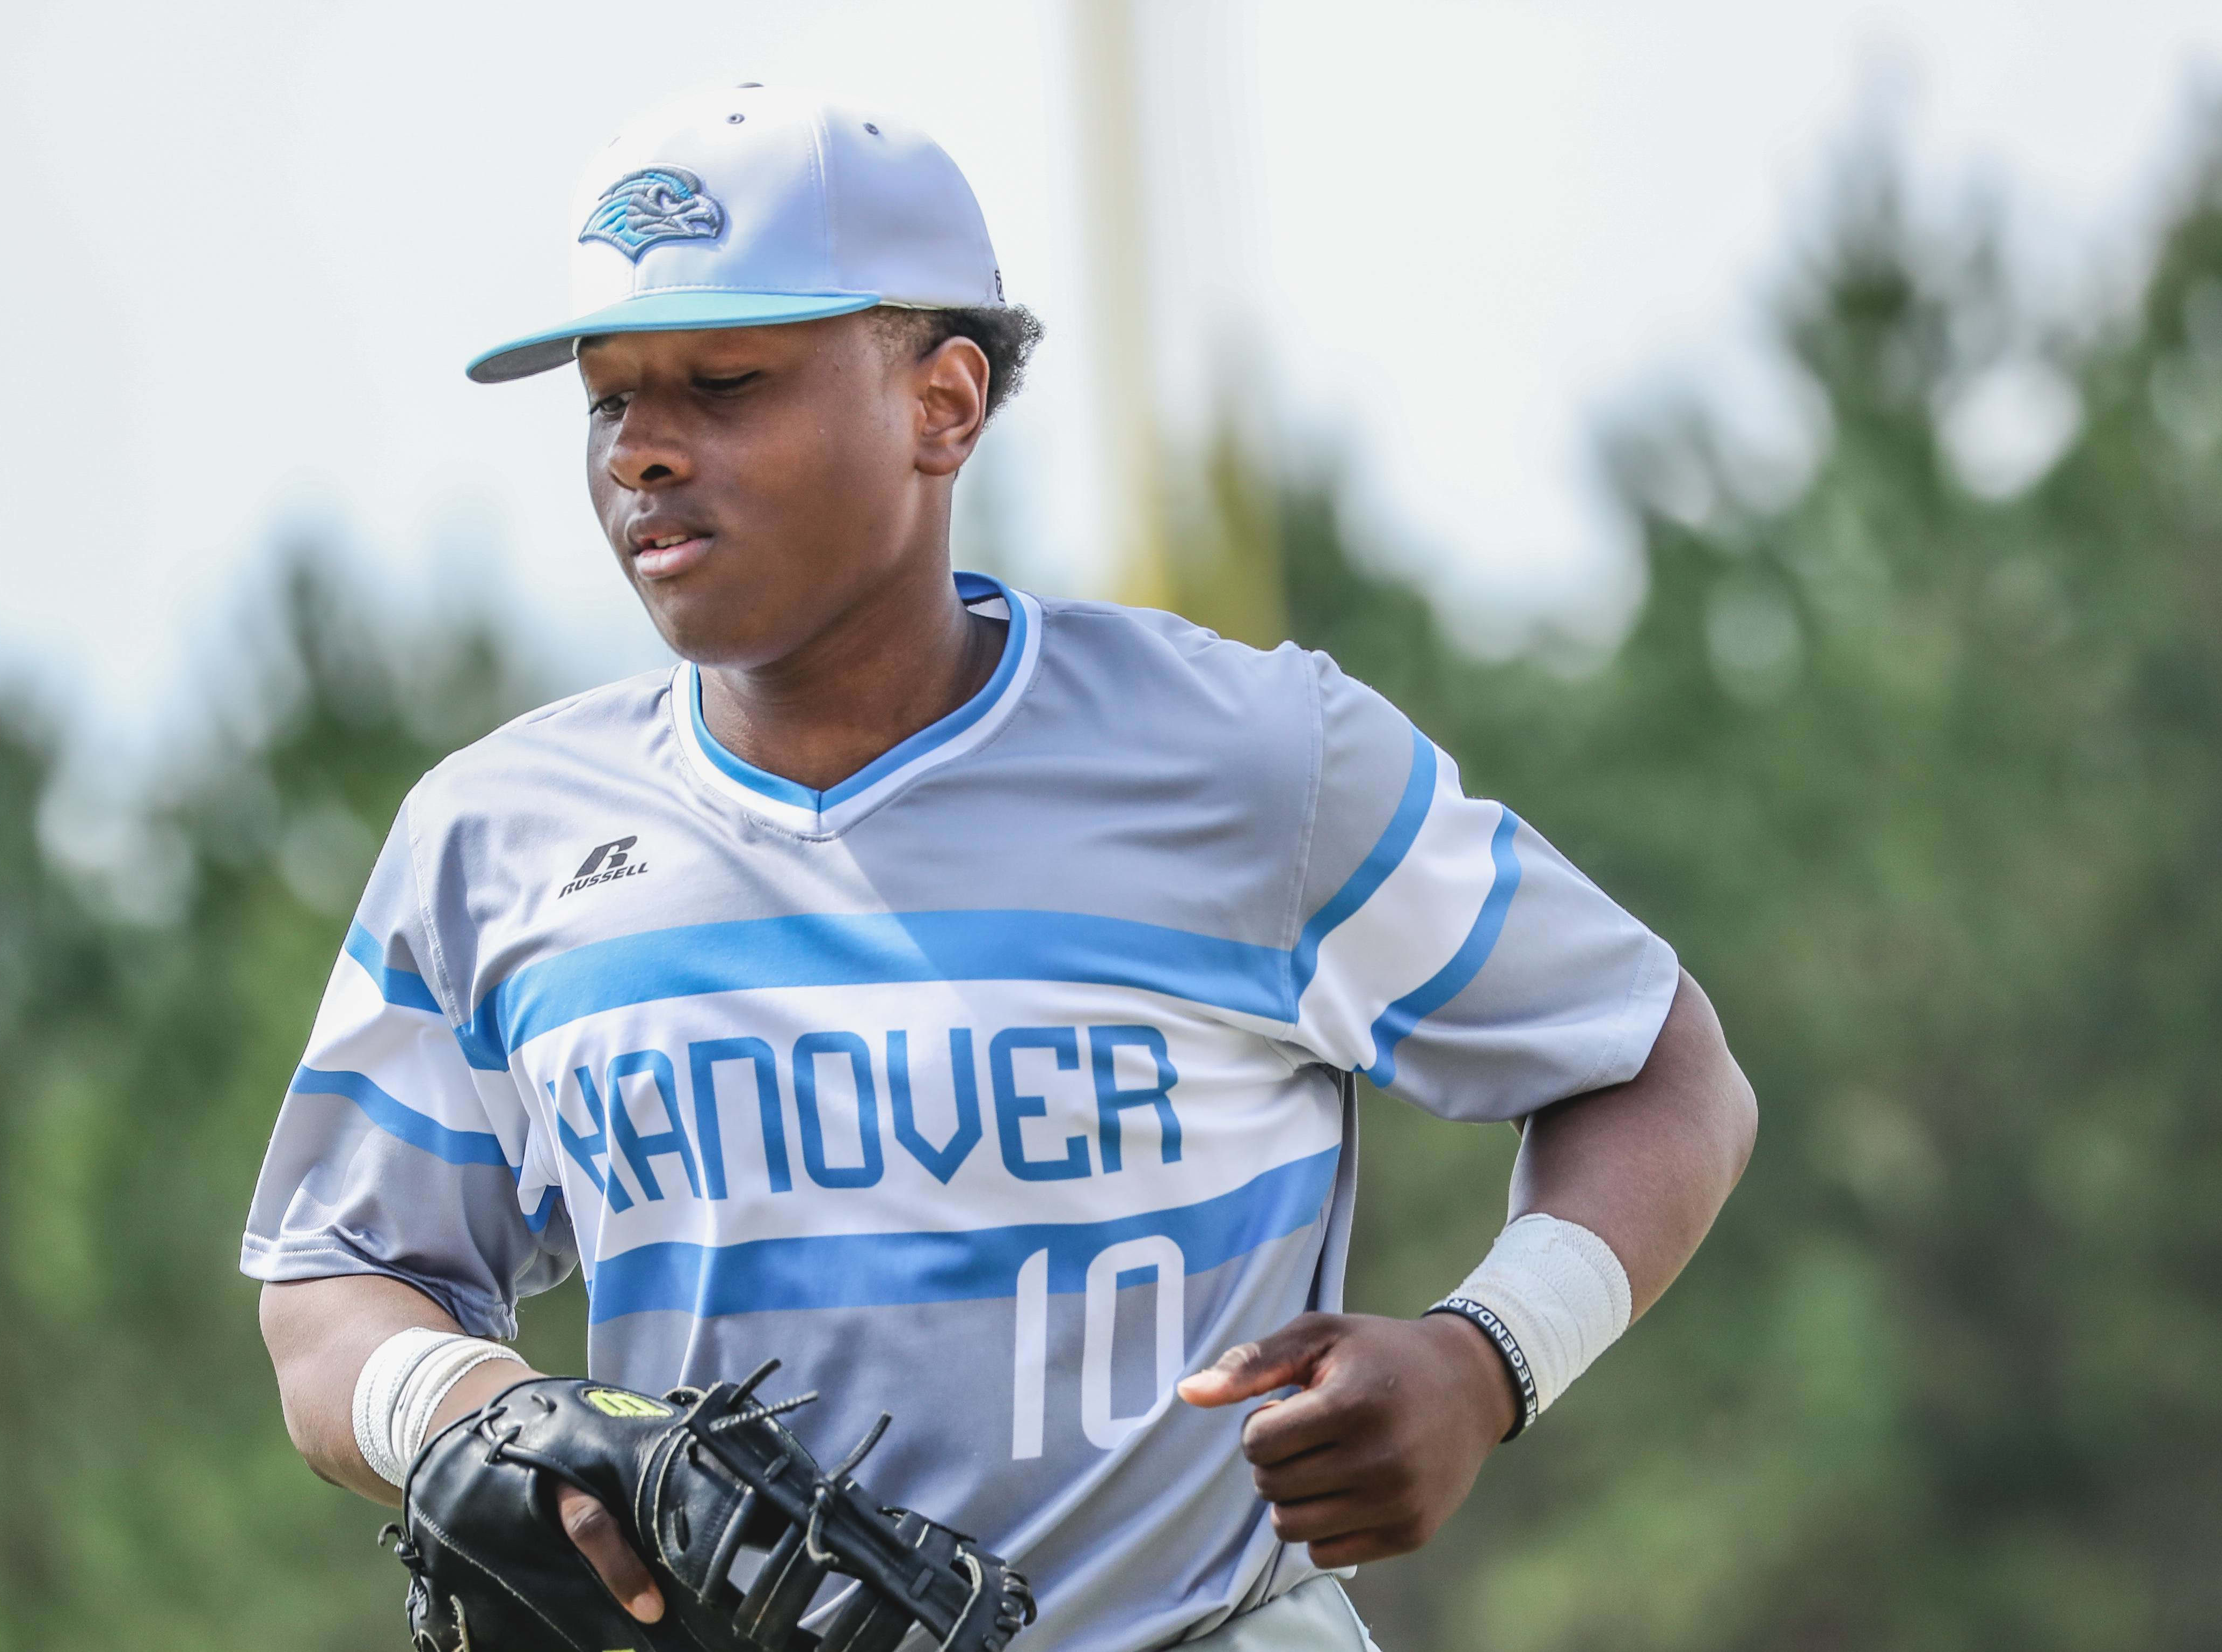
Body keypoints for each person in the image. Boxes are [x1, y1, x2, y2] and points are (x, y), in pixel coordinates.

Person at [244, 83, 1756, 1651]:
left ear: (944, 404)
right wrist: (474, 1418)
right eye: (609, 399)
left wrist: (1487, 1355)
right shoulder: (496, 838)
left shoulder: (1249, 758)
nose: (645, 453)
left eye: (724, 380)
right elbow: (335, 1282)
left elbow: (1662, 1068)